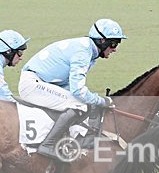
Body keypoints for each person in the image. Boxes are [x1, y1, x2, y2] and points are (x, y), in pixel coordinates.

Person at [19, 18, 126, 160]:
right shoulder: (83, 53)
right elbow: (78, 91)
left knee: (81, 102)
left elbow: (70, 87)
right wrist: (101, 101)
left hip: (40, 82)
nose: (115, 49)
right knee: (79, 104)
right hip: (33, 85)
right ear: (102, 41)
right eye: (113, 44)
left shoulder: (88, 50)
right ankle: (48, 145)